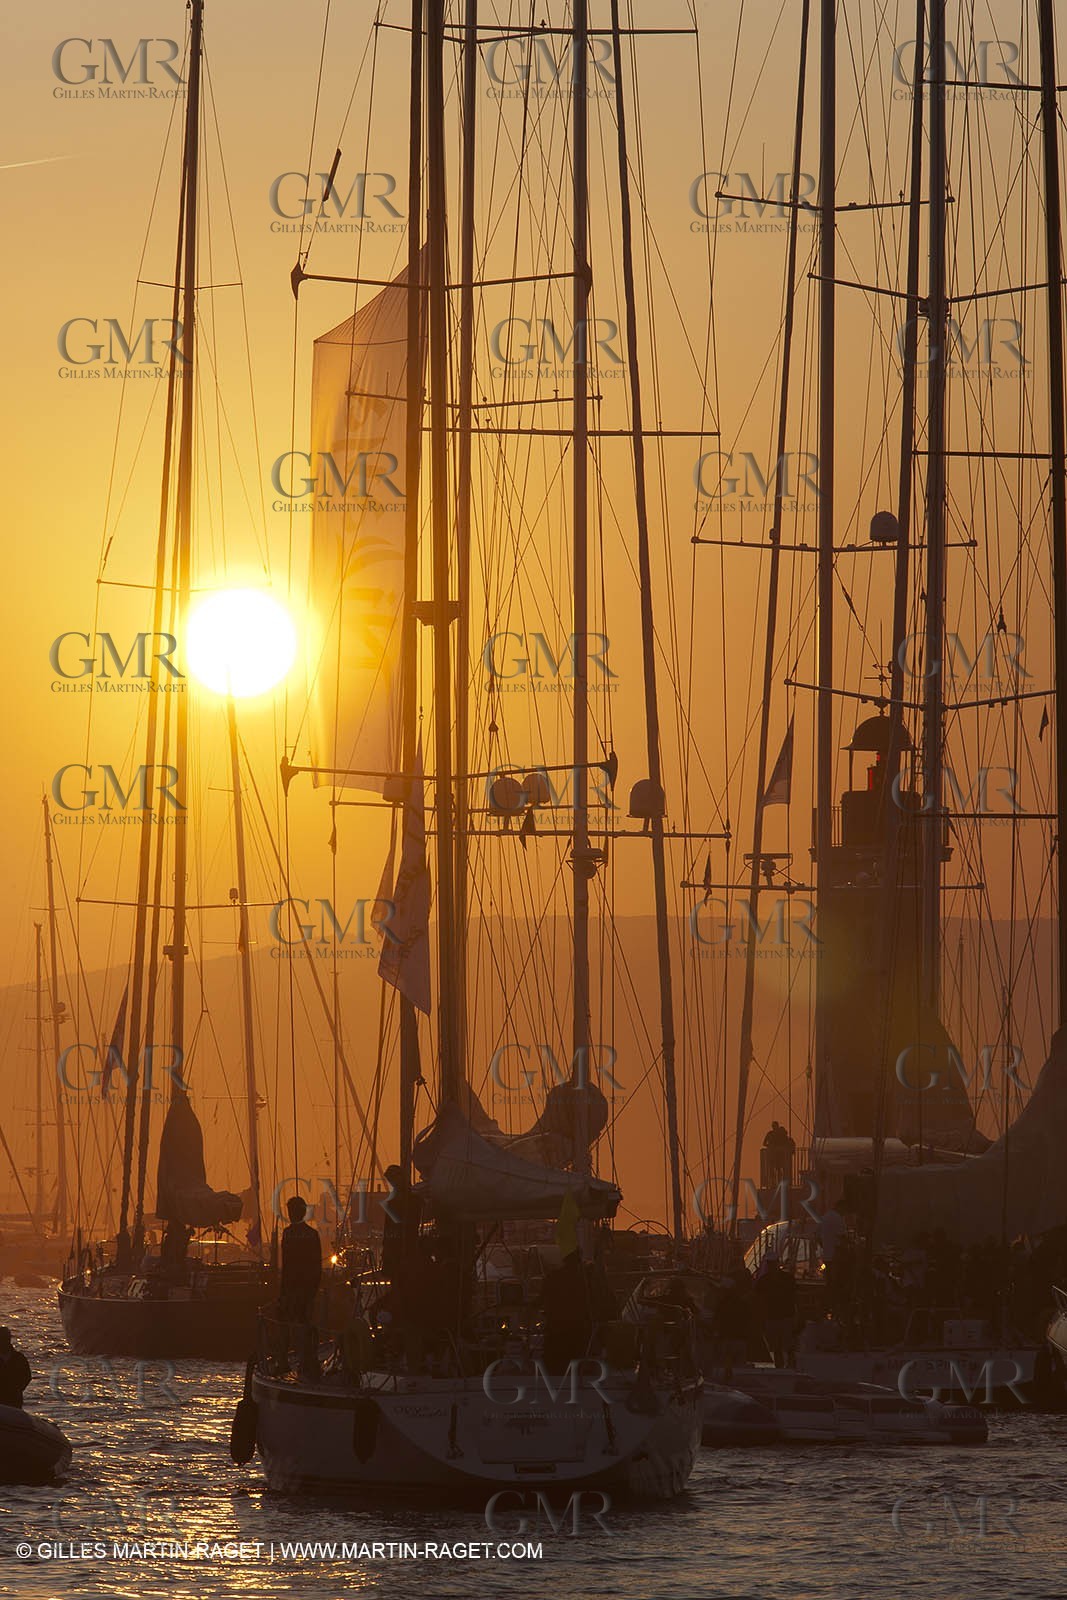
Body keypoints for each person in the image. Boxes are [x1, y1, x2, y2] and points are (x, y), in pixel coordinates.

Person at [279, 1196, 322, 1323]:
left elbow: (286, 1264)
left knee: (291, 1323)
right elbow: (317, 1264)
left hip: (292, 1288)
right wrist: (314, 1288)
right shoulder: (312, 1233)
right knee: (305, 1322)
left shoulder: (288, 1233)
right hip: (308, 1288)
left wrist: (283, 1292)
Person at [756, 1257, 797, 1369]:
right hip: (774, 1317)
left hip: (783, 1316)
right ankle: (781, 1365)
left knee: (786, 1344)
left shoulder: (766, 1280)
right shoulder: (765, 1280)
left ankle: (789, 1364)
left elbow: (794, 1297)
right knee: (777, 1346)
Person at [0, 1327, 31, 1409]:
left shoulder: (19, 1358)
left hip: (14, 1399)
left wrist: (17, 1389)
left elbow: (27, 1376)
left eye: (5, 1338)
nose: (3, 1341)